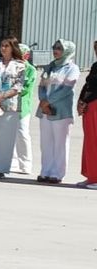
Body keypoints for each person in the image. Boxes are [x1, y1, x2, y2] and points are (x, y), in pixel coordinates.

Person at [36, 40, 80, 184]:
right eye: (54, 47)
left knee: (60, 143)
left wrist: (48, 101)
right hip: (45, 109)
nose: (56, 50)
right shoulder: (50, 67)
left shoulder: (72, 68)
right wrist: (43, 102)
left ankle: (57, 173)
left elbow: (66, 89)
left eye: (60, 48)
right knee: (46, 142)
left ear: (67, 51)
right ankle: (45, 171)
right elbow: (41, 86)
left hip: (61, 110)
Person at [0, 38, 26, 180]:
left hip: (10, 105)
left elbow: (18, 86)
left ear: (12, 48)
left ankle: (0, 168)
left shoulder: (19, 65)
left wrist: (1, 97)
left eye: (6, 46)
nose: (3, 48)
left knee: (5, 138)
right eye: (1, 45)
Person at [14, 44, 37, 175]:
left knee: (22, 134)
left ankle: (25, 164)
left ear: (26, 55)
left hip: (22, 106)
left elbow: (25, 88)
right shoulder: (10, 66)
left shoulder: (30, 69)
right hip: (9, 105)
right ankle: (12, 162)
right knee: (9, 134)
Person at [78, 39, 97, 189]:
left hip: (94, 105)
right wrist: (81, 100)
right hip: (90, 106)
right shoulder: (95, 65)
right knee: (90, 141)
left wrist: (86, 101)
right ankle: (91, 175)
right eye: (95, 48)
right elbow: (88, 85)